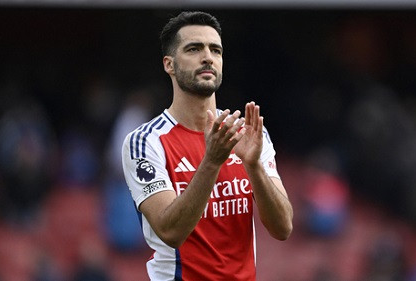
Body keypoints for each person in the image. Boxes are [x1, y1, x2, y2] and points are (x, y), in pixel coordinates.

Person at [121, 11, 293, 281]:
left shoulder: (248, 133)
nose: (207, 57)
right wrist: (212, 161)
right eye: (193, 48)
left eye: (216, 50)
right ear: (170, 64)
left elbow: (283, 228)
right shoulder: (144, 142)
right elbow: (171, 232)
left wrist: (254, 166)